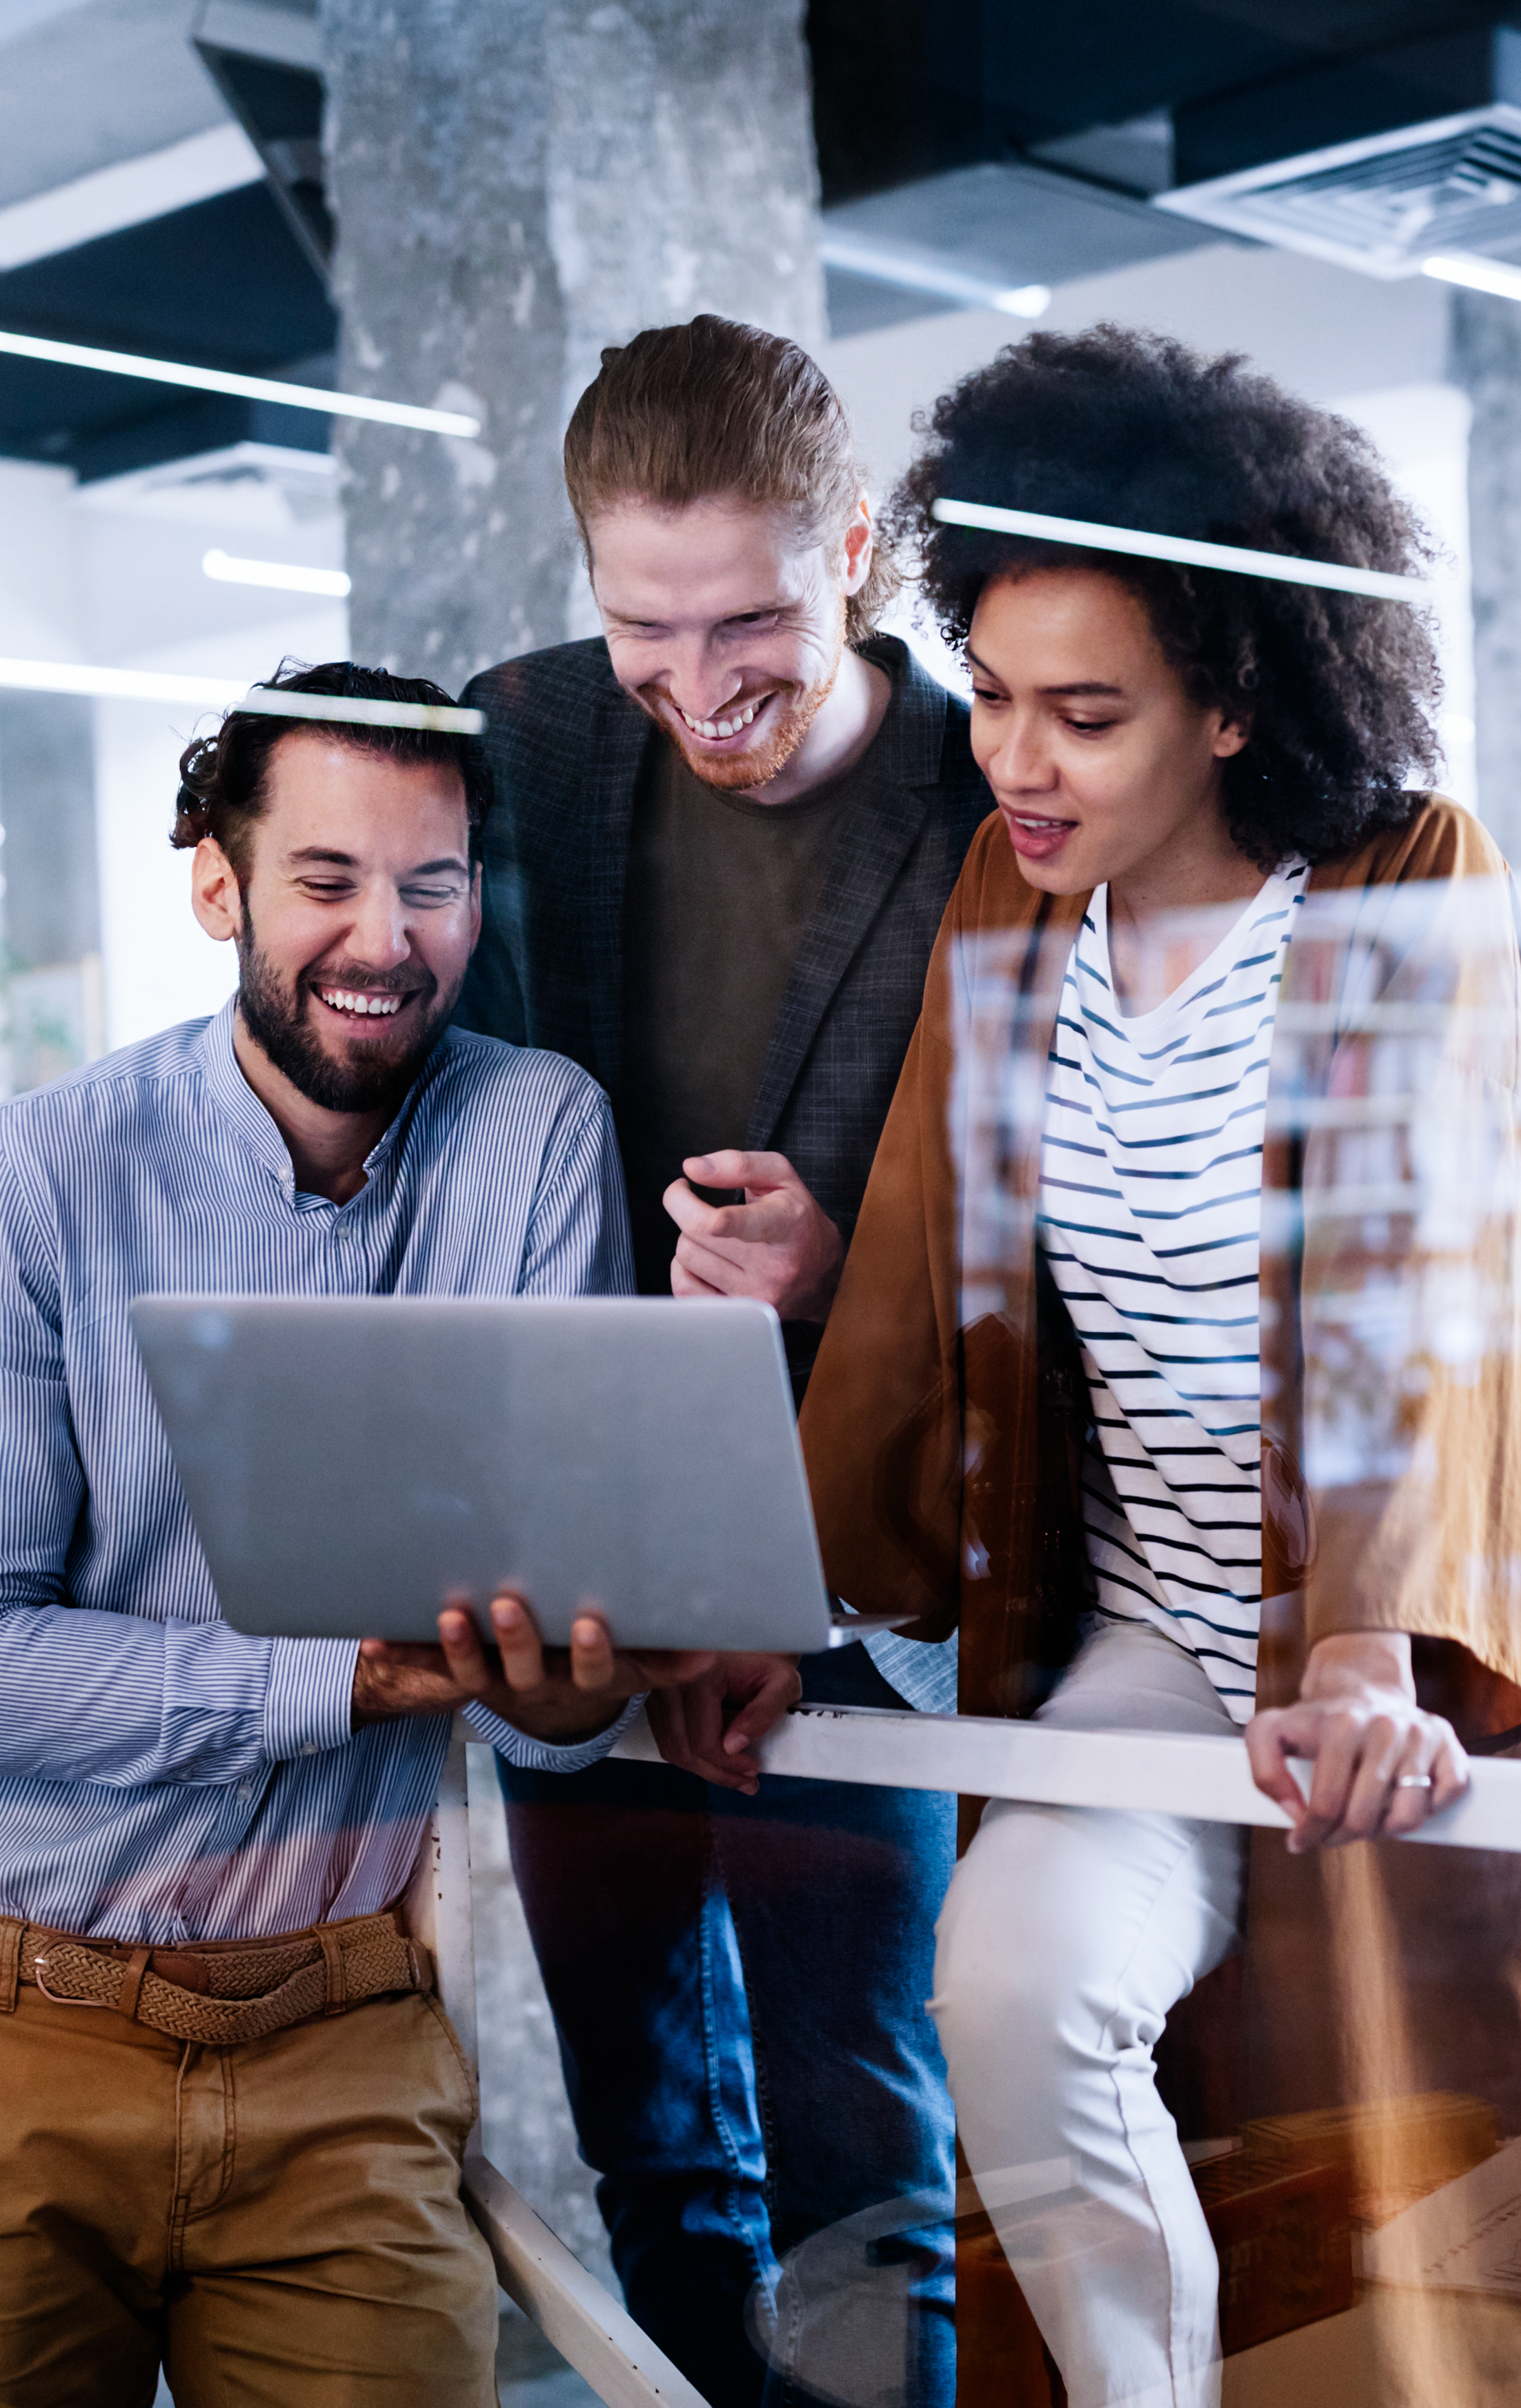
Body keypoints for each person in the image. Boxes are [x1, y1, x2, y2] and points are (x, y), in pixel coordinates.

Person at [794, 329, 1521, 2406]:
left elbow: (1422, 1288)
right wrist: (761, 1603)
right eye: (987, 697)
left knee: (1457, 2192)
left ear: (1233, 703)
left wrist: (1363, 1642)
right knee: (1008, 1988)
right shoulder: (1007, 896)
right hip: (1148, 1626)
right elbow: (912, 1267)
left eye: (1085, 713)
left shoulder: (1405, 872)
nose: (1016, 762)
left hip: (1406, 1624)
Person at [0, 660, 716, 2408]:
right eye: (326, 880)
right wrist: (373, 1672)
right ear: (217, 883)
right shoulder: (45, 1170)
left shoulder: (541, 1133)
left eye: (431, 882)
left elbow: (549, 1664)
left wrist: (596, 1665)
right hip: (29, 2024)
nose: (382, 938)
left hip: (350, 2042)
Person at [454, 315, 991, 2406]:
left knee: (863, 2142)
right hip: (579, 1578)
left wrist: (842, 1271)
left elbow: (1064, 1245)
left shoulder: (979, 796)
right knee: (646, 2134)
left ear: (850, 549)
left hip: (852, 1586)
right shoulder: (525, 741)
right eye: (641, 630)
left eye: (752, 620)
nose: (698, 689)